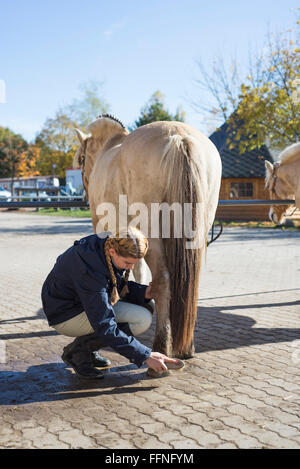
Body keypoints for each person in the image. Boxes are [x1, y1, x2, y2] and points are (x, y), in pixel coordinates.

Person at [41, 227, 177, 379]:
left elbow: (111, 283)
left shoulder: (106, 246)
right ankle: (78, 353)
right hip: (66, 315)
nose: (131, 267)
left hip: (81, 304)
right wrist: (145, 355)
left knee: (147, 305)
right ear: (113, 252)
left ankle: (83, 348)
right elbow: (104, 323)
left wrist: (145, 293)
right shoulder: (89, 269)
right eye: (128, 263)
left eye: (134, 264)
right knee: (141, 319)